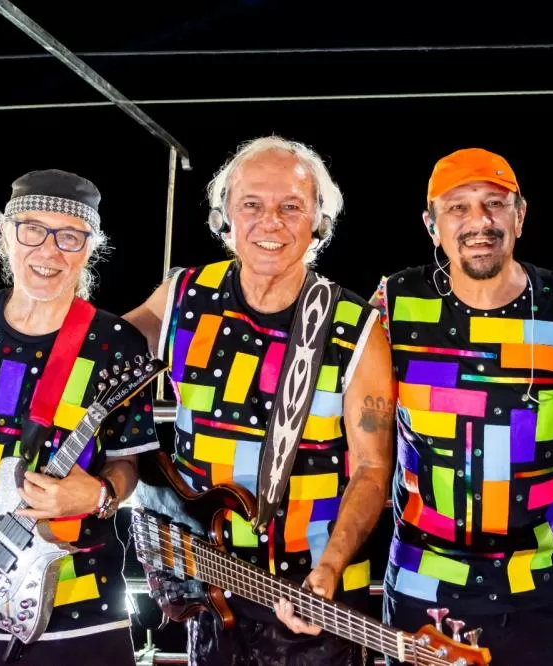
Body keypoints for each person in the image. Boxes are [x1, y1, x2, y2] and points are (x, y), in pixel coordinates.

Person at [124, 135, 394, 666]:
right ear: (224, 214)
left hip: (314, 590)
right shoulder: (182, 296)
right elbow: (97, 365)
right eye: (252, 204)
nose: (270, 221)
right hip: (208, 577)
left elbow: (371, 467)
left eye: (291, 206)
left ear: (319, 220)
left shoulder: (356, 326)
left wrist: (332, 567)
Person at [0, 169, 160, 665]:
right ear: (5, 233)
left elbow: (129, 464)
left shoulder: (114, 343)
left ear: (90, 247)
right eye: (32, 229)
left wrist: (99, 493)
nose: (49, 250)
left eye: (70, 236)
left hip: (79, 601)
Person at [370, 147, 553, 665]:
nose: (479, 221)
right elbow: (360, 422)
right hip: (424, 585)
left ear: (520, 215)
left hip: (552, 585)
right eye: (457, 207)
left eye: (495, 203)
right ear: (431, 224)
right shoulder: (394, 304)